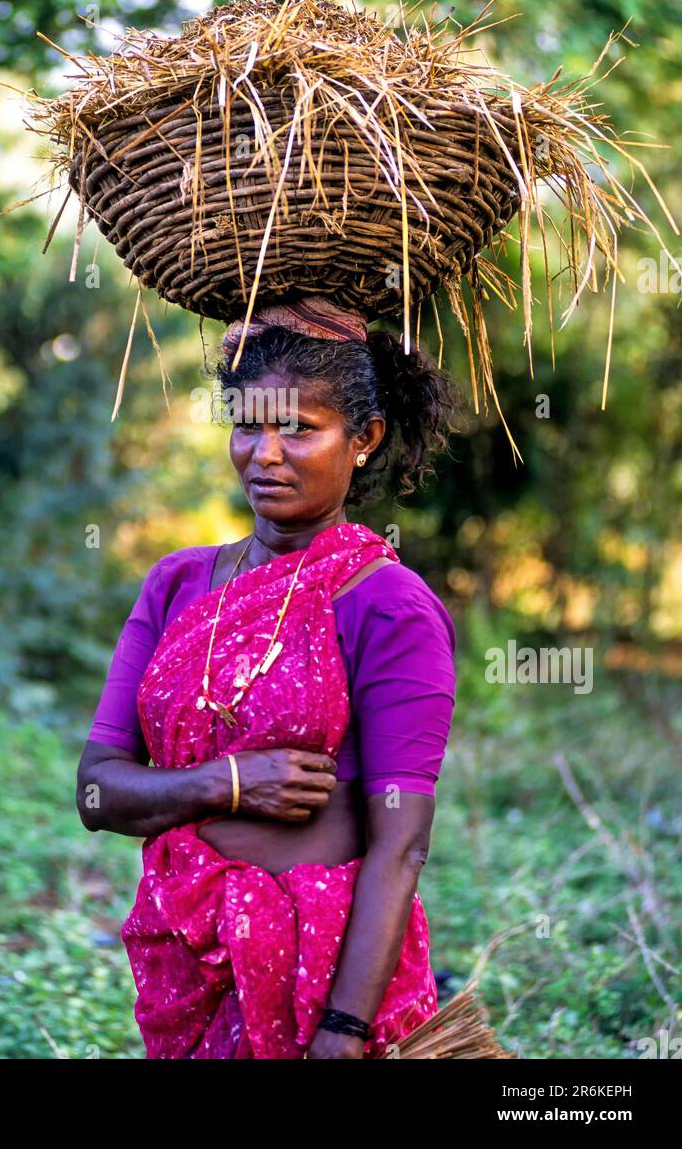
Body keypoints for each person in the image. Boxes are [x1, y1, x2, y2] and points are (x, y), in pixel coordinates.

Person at [76, 295, 459, 1059]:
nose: (266, 453)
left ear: (363, 439)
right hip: (189, 953)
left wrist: (344, 1032)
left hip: (321, 977)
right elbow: (97, 792)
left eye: (299, 428)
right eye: (248, 424)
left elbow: (400, 847)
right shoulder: (177, 584)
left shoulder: (388, 605)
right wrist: (227, 783)